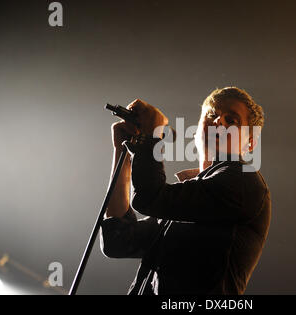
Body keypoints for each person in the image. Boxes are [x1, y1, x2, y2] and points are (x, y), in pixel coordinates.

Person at [100, 87, 271, 295]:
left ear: (250, 143)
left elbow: (149, 197)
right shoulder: (191, 192)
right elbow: (118, 240)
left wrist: (151, 137)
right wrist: (122, 154)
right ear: (198, 128)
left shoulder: (243, 182)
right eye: (212, 115)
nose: (218, 122)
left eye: (231, 120)